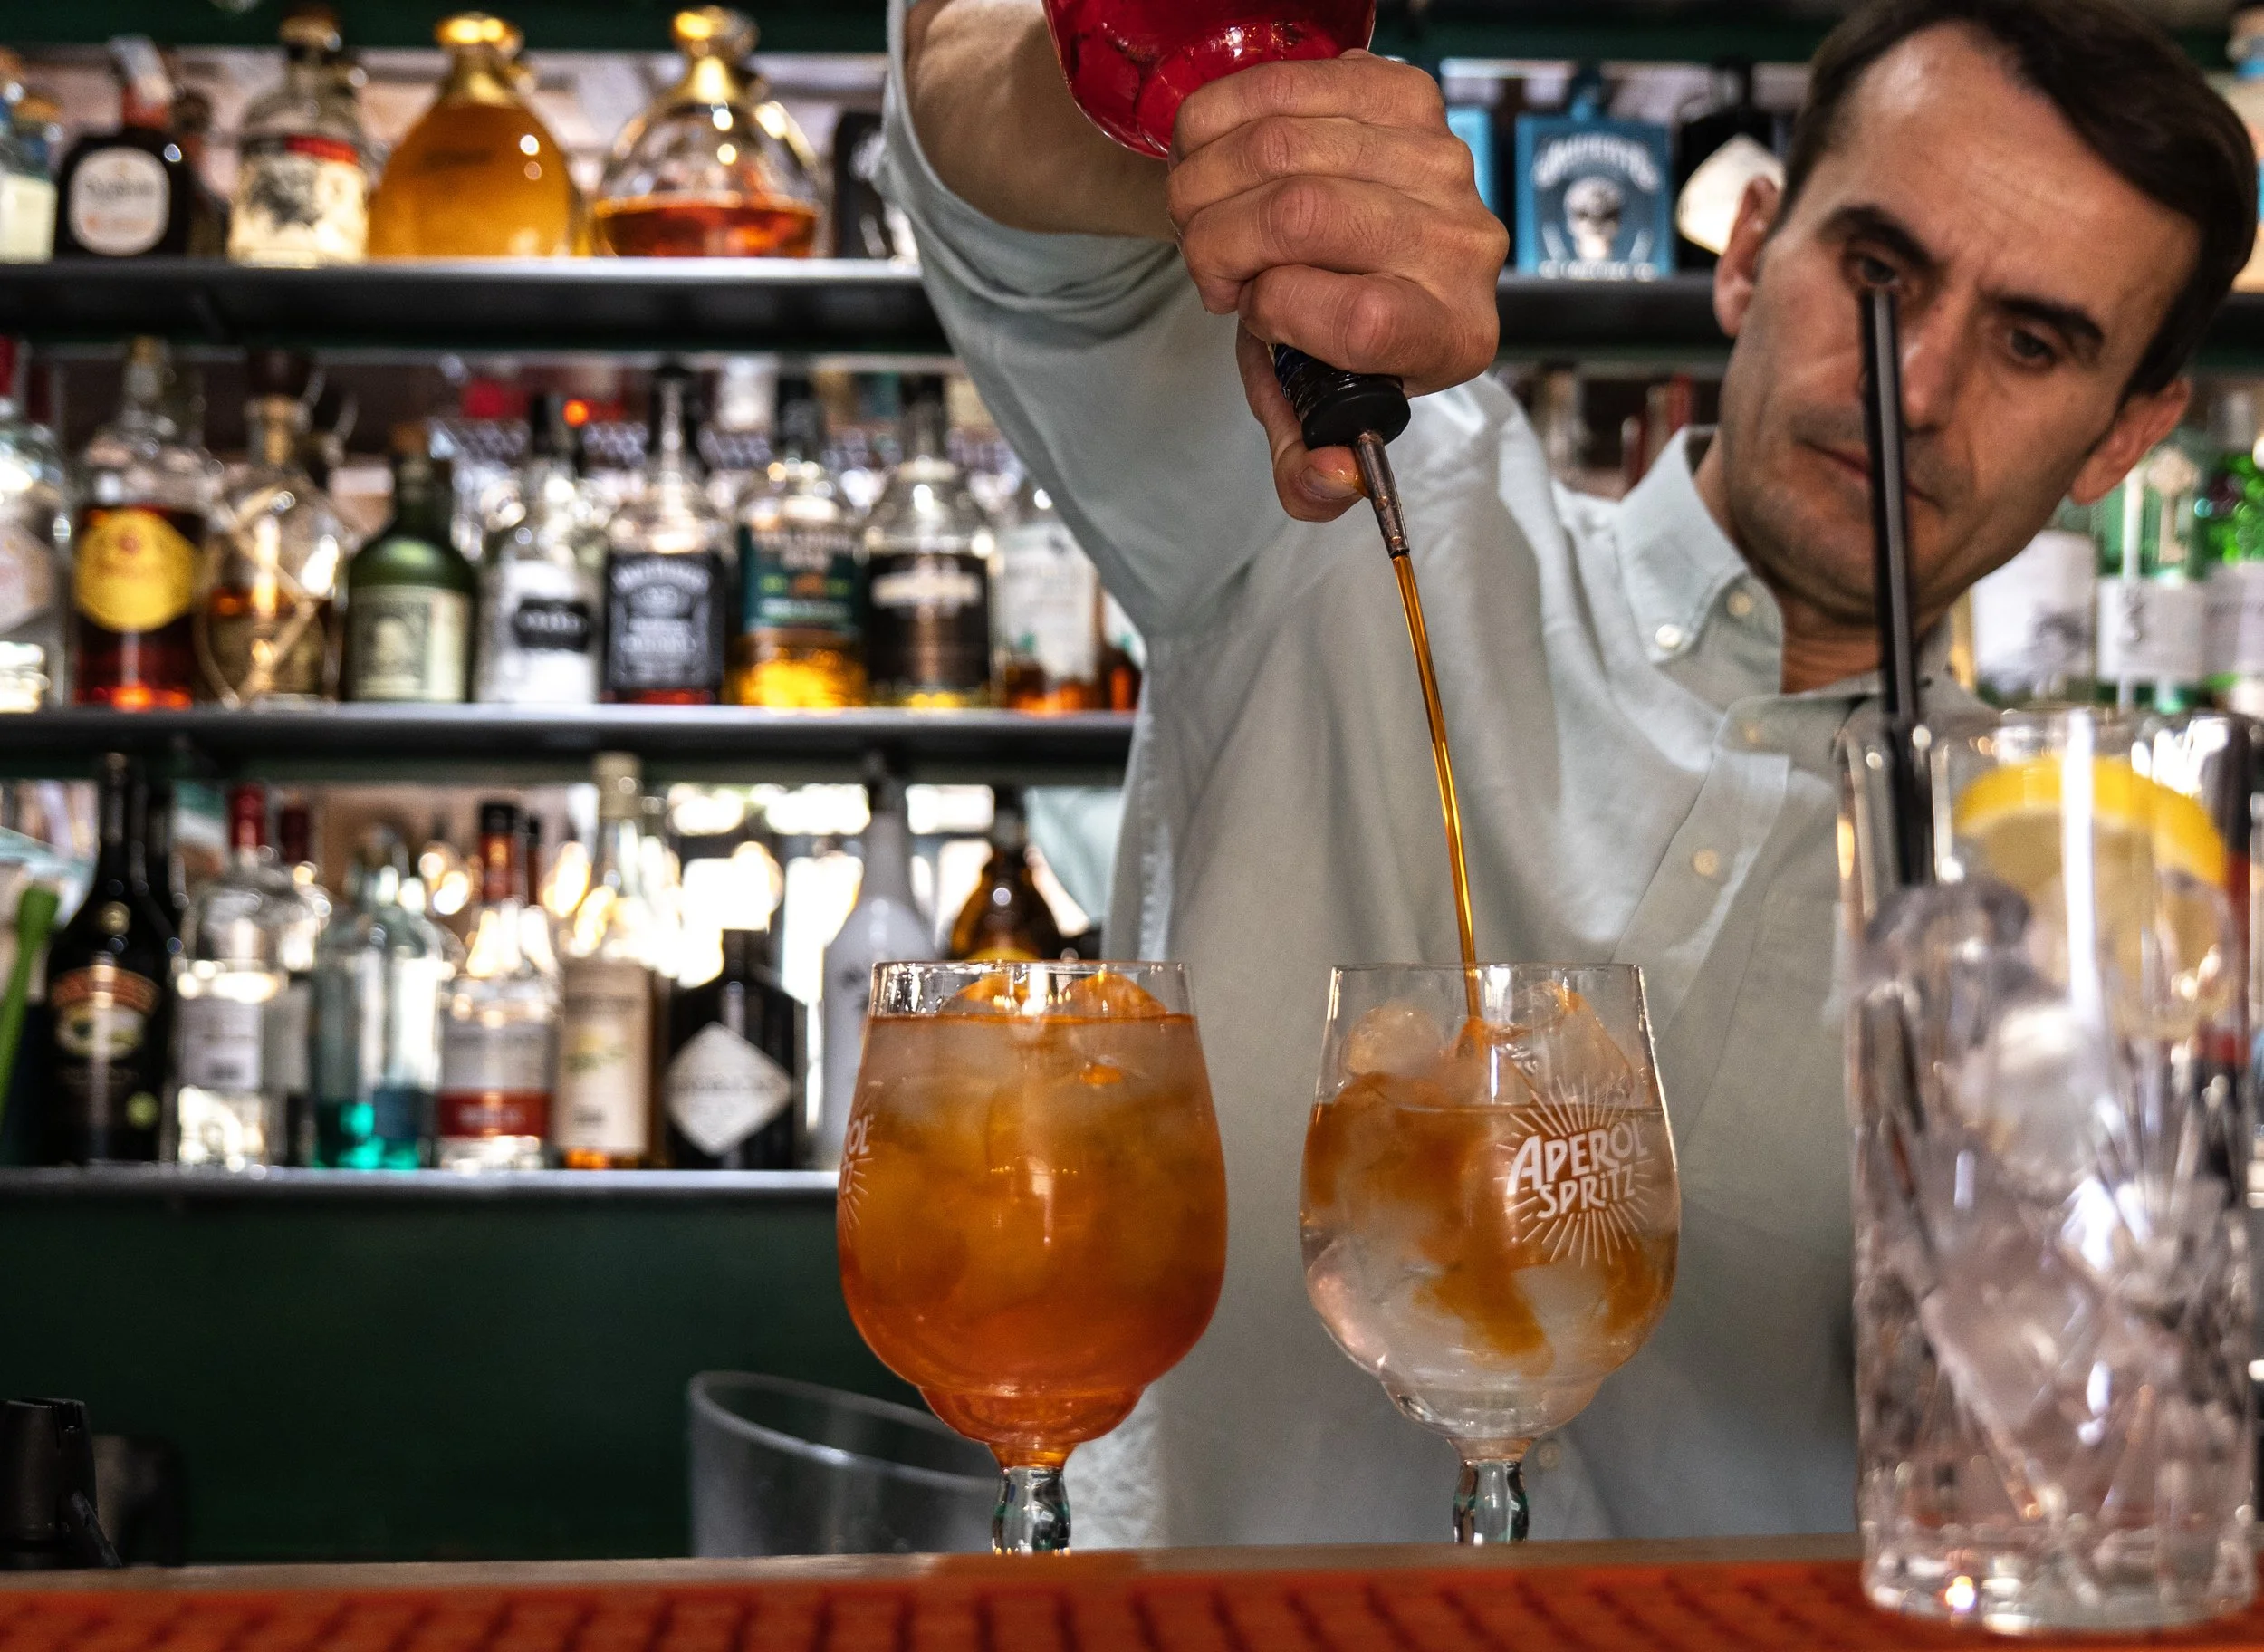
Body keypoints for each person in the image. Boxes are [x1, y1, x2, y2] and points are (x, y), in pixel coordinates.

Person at [882, 0, 2258, 1544]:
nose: (1920, 386)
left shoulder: (2062, 909)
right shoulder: (1362, 499)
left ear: (2126, 435)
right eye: (1880, 272)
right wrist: (1227, 166)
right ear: (1747, 252)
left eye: (2031, 341)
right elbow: (968, 161)